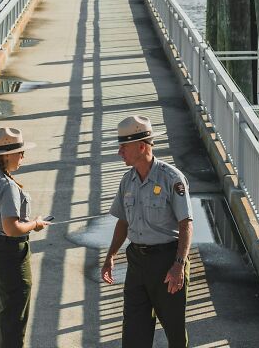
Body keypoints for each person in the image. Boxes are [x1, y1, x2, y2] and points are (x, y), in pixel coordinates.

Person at [101, 115, 194, 348]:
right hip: (137, 263)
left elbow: (186, 224)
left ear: (141, 146)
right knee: (133, 333)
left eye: (124, 146)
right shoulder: (127, 181)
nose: (119, 152)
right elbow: (123, 221)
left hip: (167, 262)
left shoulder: (172, 179)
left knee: (174, 332)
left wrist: (178, 265)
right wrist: (111, 255)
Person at [0, 127, 50, 348]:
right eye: (20, 152)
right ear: (6, 155)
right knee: (13, 319)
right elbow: (11, 228)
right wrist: (35, 224)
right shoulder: (7, 186)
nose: (23, 156)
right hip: (10, 255)